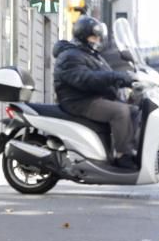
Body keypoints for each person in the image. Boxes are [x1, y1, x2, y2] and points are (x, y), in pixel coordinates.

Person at [53, 16, 137, 169]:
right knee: (120, 111)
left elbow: (104, 76)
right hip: (79, 101)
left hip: (93, 98)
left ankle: (132, 149)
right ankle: (122, 155)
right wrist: (117, 77)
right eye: (94, 36)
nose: (97, 40)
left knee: (135, 110)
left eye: (98, 37)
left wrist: (129, 81)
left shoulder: (90, 54)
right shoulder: (70, 56)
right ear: (83, 36)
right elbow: (86, 79)